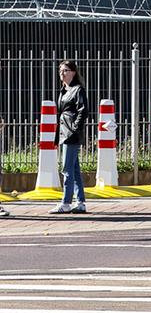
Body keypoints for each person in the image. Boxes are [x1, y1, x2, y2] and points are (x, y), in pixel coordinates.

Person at [54, 60, 89, 214]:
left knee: (67, 169)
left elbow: (83, 110)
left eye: (66, 70)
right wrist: (57, 138)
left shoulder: (78, 90)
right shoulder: (63, 91)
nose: (63, 73)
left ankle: (66, 202)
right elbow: (60, 115)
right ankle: (80, 202)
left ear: (73, 72)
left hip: (71, 133)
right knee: (74, 169)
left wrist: (75, 128)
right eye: (61, 70)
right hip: (64, 132)